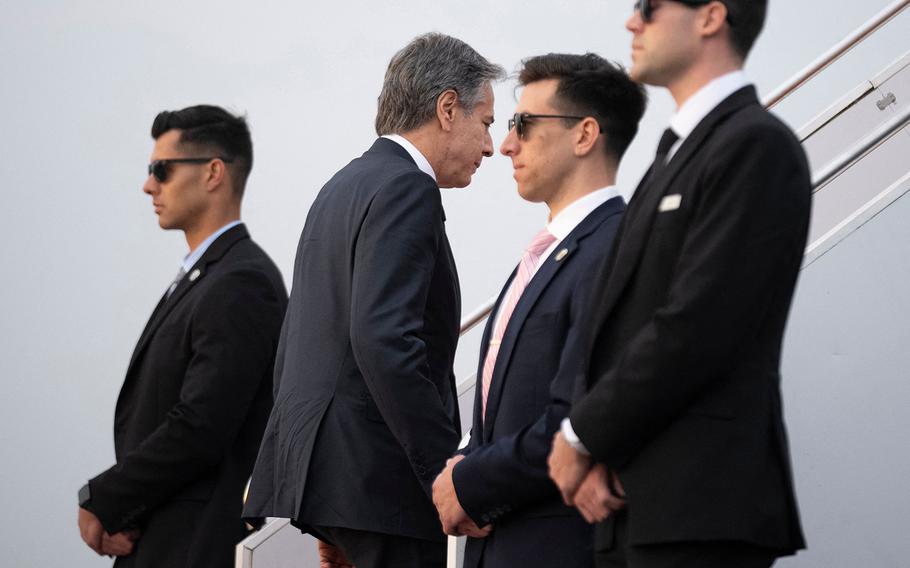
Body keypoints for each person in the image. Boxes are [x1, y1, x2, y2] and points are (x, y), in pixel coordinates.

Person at [547, 1, 809, 566]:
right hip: (633, 504)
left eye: (649, 6)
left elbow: (699, 326)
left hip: (700, 508)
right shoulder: (674, 155)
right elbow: (612, 324)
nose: (631, 22)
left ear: (711, 16)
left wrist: (582, 436)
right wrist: (596, 451)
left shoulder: (756, 146)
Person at [242, 33, 504, 568]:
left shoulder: (341, 185)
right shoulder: (410, 188)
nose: (491, 146)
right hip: (377, 482)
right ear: (448, 108)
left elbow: (302, 335)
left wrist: (319, 489)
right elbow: (385, 339)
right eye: (487, 123)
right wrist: (443, 473)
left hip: (323, 473)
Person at [431, 53, 646, 568]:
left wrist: (469, 479)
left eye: (523, 125)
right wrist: (466, 459)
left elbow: (580, 418)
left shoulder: (614, 249)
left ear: (584, 134)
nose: (505, 145)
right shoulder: (549, 252)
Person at [77, 105, 288, 567]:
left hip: (194, 548)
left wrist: (105, 498)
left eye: (161, 169)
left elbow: (202, 423)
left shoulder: (241, 282)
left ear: (213, 172)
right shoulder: (209, 278)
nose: (148, 184)